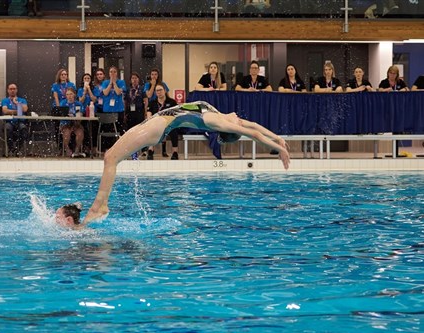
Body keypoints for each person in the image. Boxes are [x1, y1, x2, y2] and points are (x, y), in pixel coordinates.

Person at [80, 101, 290, 226]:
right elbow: (253, 125)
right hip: (157, 125)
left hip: (157, 127)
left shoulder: (216, 121)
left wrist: (279, 149)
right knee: (111, 157)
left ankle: (100, 207)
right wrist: (278, 139)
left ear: (229, 128)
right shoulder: (219, 114)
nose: (239, 118)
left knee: (110, 157)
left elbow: (251, 132)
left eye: (236, 123)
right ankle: (100, 206)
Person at [146, 85, 178, 160]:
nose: (159, 92)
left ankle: (175, 152)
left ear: (165, 90)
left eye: (160, 90)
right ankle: (150, 150)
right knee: (150, 130)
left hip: (168, 124)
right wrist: (149, 118)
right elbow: (149, 112)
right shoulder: (152, 102)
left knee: (174, 131)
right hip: (156, 125)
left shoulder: (172, 102)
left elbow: (176, 113)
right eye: (157, 91)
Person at [125, 72, 148, 159]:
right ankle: (132, 150)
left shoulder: (142, 89)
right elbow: (125, 102)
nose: (134, 80)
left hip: (139, 113)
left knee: (140, 131)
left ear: (138, 79)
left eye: (136, 78)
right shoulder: (128, 90)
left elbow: (146, 101)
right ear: (130, 80)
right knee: (131, 132)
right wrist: (125, 113)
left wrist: (145, 112)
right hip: (130, 113)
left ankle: (143, 150)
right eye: (132, 78)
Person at [1, 83, 29, 156]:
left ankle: (17, 148)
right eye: (11, 89)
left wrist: (16, 103)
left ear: (16, 90)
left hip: (20, 122)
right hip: (9, 122)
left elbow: (25, 109)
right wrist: (18, 111)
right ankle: (11, 149)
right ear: (8, 90)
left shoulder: (22, 100)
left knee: (23, 129)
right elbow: (5, 111)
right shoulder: (5, 100)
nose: (12, 90)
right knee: (7, 129)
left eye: (14, 89)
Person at [60, 88, 86, 158]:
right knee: (66, 134)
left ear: (74, 94)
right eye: (67, 94)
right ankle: (67, 149)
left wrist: (77, 116)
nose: (69, 96)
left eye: (71, 94)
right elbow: (60, 114)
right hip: (66, 123)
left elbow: (80, 115)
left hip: (76, 123)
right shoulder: (63, 103)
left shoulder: (78, 104)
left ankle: (77, 150)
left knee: (80, 133)